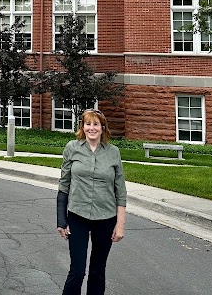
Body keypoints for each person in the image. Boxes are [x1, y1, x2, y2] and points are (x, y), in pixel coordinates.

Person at [57, 109, 126, 295]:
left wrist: (120, 225)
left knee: (97, 271)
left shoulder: (113, 153)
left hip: (106, 218)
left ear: (103, 128)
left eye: (96, 124)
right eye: (88, 124)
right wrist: (61, 220)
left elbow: (121, 191)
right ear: (83, 127)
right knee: (77, 271)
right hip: (77, 216)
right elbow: (64, 185)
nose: (92, 128)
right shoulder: (72, 148)